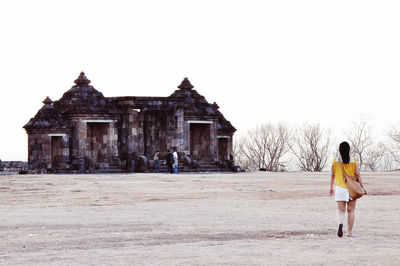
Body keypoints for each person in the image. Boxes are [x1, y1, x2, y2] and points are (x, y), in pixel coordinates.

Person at [330, 141, 366, 237]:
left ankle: (340, 223)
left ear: (339, 150)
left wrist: (331, 187)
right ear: (349, 150)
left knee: (341, 210)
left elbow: (332, 175)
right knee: (351, 210)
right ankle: (349, 232)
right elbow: (357, 175)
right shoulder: (354, 161)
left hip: (340, 189)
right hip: (351, 189)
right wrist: (362, 187)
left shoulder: (335, 161)